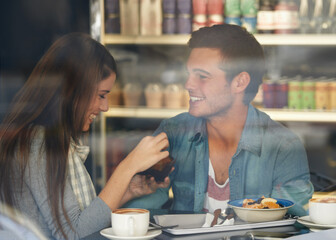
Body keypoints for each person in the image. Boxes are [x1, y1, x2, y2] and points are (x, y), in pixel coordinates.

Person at [124, 24, 314, 216]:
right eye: (189, 74)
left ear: (240, 82)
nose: (188, 85)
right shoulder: (173, 132)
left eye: (202, 76)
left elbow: (291, 227)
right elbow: (138, 214)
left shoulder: (284, 147)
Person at [0, 33, 170, 240]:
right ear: (72, 91)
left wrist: (128, 191)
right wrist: (129, 165)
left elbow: (81, 220)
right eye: (101, 95)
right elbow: (75, 235)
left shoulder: (48, 141)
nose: (105, 107)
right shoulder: (39, 144)